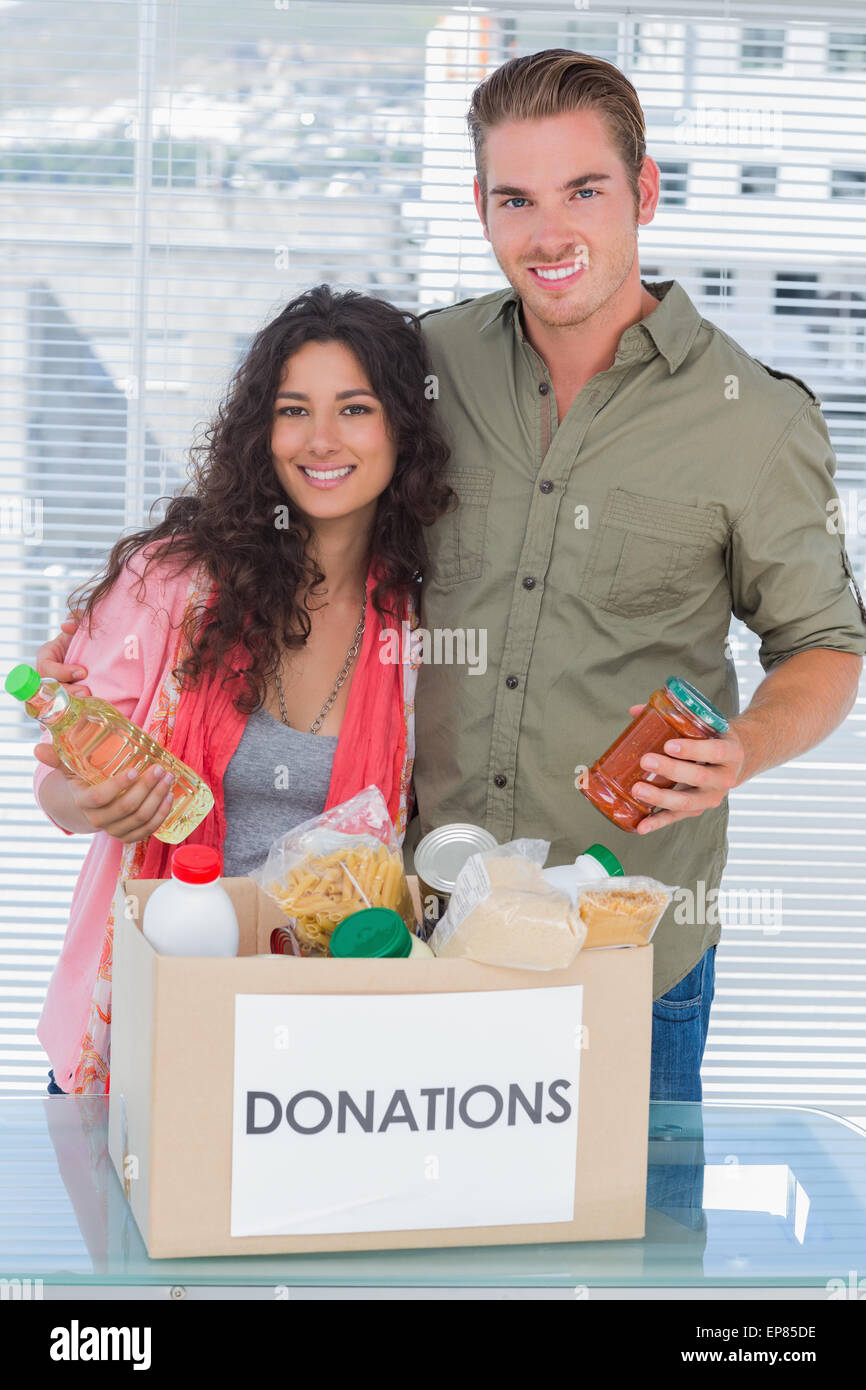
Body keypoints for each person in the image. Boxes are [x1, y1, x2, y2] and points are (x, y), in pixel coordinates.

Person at [407, 49, 866, 1101]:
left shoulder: (754, 421)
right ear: (480, 209)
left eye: (583, 191)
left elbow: (825, 645)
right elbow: (290, 525)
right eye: (515, 198)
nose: (548, 232)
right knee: (417, 1250)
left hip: (623, 951)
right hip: (412, 933)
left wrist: (741, 747)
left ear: (643, 192)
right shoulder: (419, 369)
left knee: (625, 1256)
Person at [29, 285, 453, 1096]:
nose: (320, 439)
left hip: (321, 1044)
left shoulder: (423, 618)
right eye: (294, 410)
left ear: (403, 428)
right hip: (153, 1015)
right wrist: (93, 805)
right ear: (263, 429)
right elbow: (56, 780)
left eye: (355, 409)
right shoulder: (172, 583)